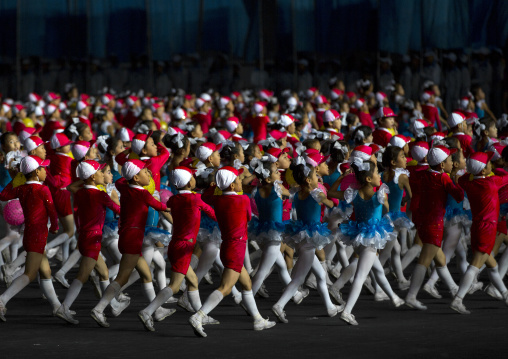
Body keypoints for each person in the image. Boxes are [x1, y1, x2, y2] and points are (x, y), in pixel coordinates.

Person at [188, 166, 275, 337]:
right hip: (236, 248)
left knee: (247, 284)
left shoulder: (217, 200)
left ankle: (258, 319)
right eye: (237, 180)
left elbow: (206, 195)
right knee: (225, 288)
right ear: (232, 186)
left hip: (228, 246)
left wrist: (218, 184)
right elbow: (249, 217)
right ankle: (199, 316)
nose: (241, 181)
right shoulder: (242, 200)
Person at [90, 159, 172, 328]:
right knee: (122, 277)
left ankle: (155, 310)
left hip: (126, 235)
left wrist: (129, 173)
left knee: (146, 274)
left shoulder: (124, 188)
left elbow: (121, 180)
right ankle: (99, 308)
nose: (148, 174)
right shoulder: (142, 193)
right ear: (135, 177)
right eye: (144, 172)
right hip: (133, 237)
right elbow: (161, 207)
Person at [138, 166, 219, 331]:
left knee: (193, 281)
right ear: (189, 182)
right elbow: (213, 213)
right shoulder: (195, 199)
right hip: (184, 245)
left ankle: (201, 314)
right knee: (175, 286)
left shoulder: (173, 200)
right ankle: (148, 311)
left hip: (176, 244)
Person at [271, 160, 344, 324]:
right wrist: (332, 197)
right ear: (309, 180)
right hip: (310, 237)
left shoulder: (297, 193)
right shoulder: (316, 193)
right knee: (298, 279)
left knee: (320, 275)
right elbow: (331, 203)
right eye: (314, 176)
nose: (318, 177)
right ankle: (279, 305)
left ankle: (330, 307)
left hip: (301, 234)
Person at [333, 159, 405, 325]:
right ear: (368, 179)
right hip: (372, 238)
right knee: (360, 276)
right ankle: (347, 311)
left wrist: (341, 178)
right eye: (376, 174)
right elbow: (386, 208)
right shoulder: (379, 194)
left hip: (358, 235)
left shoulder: (353, 193)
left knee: (377, 269)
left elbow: (331, 193)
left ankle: (394, 297)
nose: (379, 176)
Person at [54, 160, 125, 324]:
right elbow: (119, 211)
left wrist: (86, 178)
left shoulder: (80, 193)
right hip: (93, 239)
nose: (103, 174)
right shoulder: (100, 195)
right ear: (93, 176)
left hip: (85, 237)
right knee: (82, 276)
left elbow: (73, 187)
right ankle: (64, 307)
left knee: (104, 273)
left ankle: (112, 304)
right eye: (100, 172)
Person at [0, 155, 60, 321]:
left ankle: (58, 307)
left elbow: (4, 195)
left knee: (46, 271)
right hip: (38, 235)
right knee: (30, 274)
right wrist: (55, 227)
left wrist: (19, 176)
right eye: (43, 169)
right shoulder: (42, 189)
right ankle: (2, 299)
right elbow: (52, 211)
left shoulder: (21, 188)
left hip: (28, 233)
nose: (46, 171)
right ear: (35, 172)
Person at [404, 145, 464, 310]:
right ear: (442, 165)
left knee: (441, 259)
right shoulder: (443, 178)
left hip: (421, 221)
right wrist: (456, 180)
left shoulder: (422, 174)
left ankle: (454, 289)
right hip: (434, 223)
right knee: (424, 261)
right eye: (450, 160)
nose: (453, 162)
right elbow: (458, 196)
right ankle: (411, 296)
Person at [451, 151, 508, 313]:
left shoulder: (469, 183)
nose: (492, 165)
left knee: (493, 266)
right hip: (488, 228)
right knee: (475, 265)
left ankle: (505, 294)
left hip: (477, 227)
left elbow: (462, 178)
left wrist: (472, 172)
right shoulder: (492, 182)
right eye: (489, 163)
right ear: (483, 170)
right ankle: (458, 299)